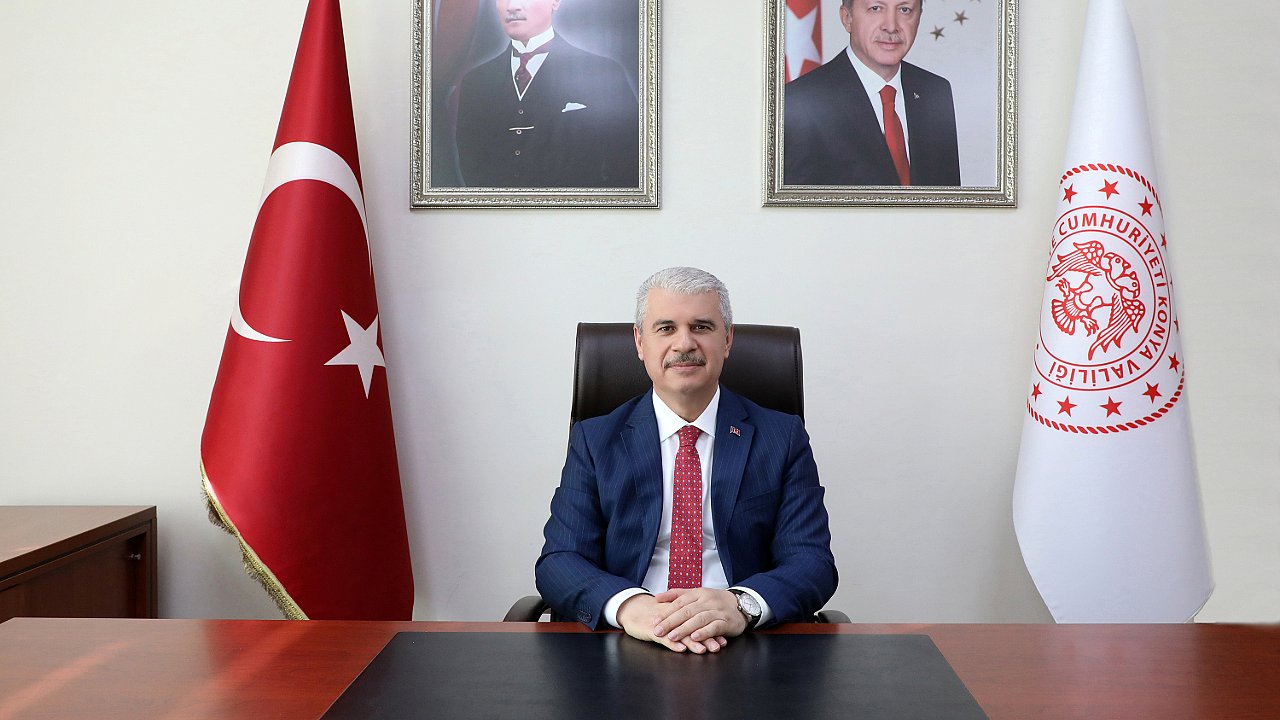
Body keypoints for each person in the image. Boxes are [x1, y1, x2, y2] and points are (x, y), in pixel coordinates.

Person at [536, 267, 838, 654]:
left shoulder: (782, 437)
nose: (684, 343)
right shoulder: (596, 440)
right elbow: (560, 560)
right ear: (640, 342)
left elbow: (811, 561)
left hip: (742, 641)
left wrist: (742, 604)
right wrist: (629, 607)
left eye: (701, 327)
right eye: (665, 328)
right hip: (626, 640)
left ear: (727, 340)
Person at [453, 0, 639, 188]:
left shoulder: (602, 73)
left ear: (555, 2)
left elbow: (629, 163)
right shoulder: (476, 82)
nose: (512, 6)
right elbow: (471, 166)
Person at [783, 0, 960, 187]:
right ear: (847, 18)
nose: (891, 26)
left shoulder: (935, 92)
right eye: (876, 8)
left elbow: (948, 199)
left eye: (904, 10)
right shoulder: (801, 102)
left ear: (919, 17)